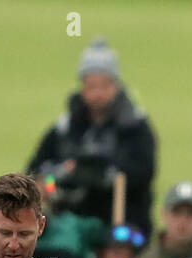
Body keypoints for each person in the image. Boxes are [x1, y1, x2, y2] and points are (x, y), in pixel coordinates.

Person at [27, 38, 157, 236]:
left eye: (104, 86)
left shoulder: (135, 126)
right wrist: (61, 177)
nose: (97, 94)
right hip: (69, 226)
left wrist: (106, 176)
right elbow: (37, 171)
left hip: (121, 224)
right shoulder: (65, 126)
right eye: (91, 86)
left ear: (116, 85)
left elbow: (144, 173)